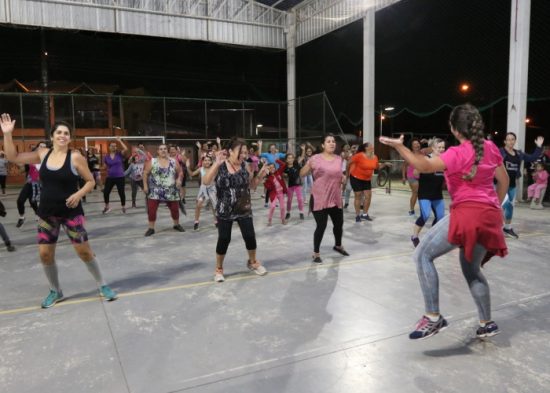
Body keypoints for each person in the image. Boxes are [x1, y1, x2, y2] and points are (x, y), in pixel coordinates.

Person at [380, 104, 509, 340]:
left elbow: (423, 166)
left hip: (468, 214)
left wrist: (400, 146)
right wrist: (493, 207)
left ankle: (432, 317)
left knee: (421, 255)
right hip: (491, 217)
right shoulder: (491, 148)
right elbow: (504, 180)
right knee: (471, 269)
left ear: (455, 130)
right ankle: (487, 323)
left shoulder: (457, 153)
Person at [1, 113, 117, 308]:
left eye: (66, 133)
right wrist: (7, 135)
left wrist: (78, 194)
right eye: (59, 132)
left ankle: (102, 285)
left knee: (84, 252)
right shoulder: (42, 154)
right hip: (47, 213)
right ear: (53, 136)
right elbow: (13, 156)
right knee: (45, 255)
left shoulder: (76, 157)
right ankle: (56, 291)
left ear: (70, 138)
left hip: (72, 212)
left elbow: (90, 181)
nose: (63, 135)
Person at [202, 137, 270, 282]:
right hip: (224, 210)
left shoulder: (245, 166)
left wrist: (260, 175)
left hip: (243, 208)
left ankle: (252, 262)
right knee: (224, 239)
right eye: (241, 152)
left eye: (246, 152)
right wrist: (216, 163)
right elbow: (206, 181)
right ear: (231, 151)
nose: (244, 155)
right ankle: (219, 268)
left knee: (250, 237)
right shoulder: (220, 165)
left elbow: (251, 186)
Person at [299, 134, 349, 263]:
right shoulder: (315, 158)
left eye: (333, 141)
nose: (332, 143)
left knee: (339, 224)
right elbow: (302, 174)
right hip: (319, 197)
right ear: (322, 145)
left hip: (335, 197)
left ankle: (338, 245)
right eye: (328, 141)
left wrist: (343, 178)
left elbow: (340, 174)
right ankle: (316, 253)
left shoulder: (339, 159)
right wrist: (309, 165)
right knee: (321, 225)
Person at [499, 132, 544, 238]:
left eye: (512, 139)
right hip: (500, 185)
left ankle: (507, 228)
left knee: (509, 208)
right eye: (508, 139)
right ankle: (495, 228)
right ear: (505, 141)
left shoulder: (519, 154)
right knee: (505, 205)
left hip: (512, 185)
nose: (510, 141)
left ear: (515, 141)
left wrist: (538, 147)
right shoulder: (500, 152)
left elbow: (532, 158)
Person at [142, 144, 185, 236]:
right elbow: (145, 173)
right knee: (152, 210)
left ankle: (176, 224)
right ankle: (151, 228)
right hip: (155, 190)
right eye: (161, 149)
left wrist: (179, 179)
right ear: (157, 151)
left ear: (167, 151)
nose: (163, 150)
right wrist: (145, 186)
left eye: (165, 149)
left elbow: (180, 172)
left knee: (175, 210)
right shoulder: (152, 161)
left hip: (171, 190)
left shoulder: (174, 161)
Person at [411, 138, 446, 247]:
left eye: (443, 147)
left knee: (440, 217)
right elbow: (415, 173)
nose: (441, 149)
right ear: (433, 148)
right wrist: (420, 168)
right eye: (438, 147)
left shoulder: (445, 160)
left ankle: (430, 237)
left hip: (437, 193)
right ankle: (414, 236)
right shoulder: (427, 159)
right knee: (425, 215)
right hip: (425, 193)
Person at [347, 142, 392, 222]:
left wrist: (384, 164)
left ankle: (365, 214)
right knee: (358, 196)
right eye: (370, 145)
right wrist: (347, 175)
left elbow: (377, 167)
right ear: (366, 148)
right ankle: (357, 215)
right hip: (356, 178)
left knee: (368, 196)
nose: (372, 146)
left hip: (367, 179)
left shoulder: (375, 157)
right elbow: (348, 163)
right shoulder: (359, 155)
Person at [15, 143, 45, 227]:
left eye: (44, 146)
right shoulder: (31, 159)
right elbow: (23, 169)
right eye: (41, 146)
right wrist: (18, 164)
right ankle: (22, 217)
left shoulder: (47, 160)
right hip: (29, 183)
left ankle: (39, 215)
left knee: (33, 202)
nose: (42, 147)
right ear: (37, 147)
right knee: (20, 200)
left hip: (39, 185)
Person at [186, 155, 217, 231]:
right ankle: (196, 221)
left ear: (211, 162)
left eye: (208, 160)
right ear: (202, 162)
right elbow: (192, 174)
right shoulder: (201, 169)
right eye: (205, 160)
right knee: (198, 205)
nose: (207, 162)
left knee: (214, 206)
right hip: (203, 189)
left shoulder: (214, 169)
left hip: (212, 189)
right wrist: (187, 167)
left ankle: (216, 221)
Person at [103, 138, 129, 214]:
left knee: (121, 192)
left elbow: (126, 149)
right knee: (106, 192)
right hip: (110, 177)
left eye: (115, 146)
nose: (114, 147)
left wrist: (120, 141)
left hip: (120, 177)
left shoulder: (119, 154)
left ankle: (123, 206)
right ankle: (107, 207)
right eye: (112, 146)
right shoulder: (106, 156)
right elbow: (105, 166)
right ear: (109, 147)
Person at [401, 139, 423, 216]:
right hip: (412, 176)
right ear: (412, 146)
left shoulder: (423, 153)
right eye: (415, 144)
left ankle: (423, 208)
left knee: (422, 193)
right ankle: (411, 209)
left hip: (422, 175)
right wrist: (403, 177)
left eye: (418, 143)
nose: (417, 145)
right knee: (416, 192)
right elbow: (404, 166)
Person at [264, 160, 287, 226]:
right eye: (270, 168)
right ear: (268, 169)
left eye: (273, 167)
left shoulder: (278, 172)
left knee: (282, 207)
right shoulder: (268, 178)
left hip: (281, 193)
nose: (272, 169)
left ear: (275, 167)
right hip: (274, 194)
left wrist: (277, 160)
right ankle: (269, 220)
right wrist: (265, 182)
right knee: (273, 206)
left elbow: (284, 165)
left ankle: (283, 219)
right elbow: (269, 188)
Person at [284, 152, 305, 220]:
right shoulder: (285, 167)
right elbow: (284, 175)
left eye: (291, 158)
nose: (290, 159)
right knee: (289, 200)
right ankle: (288, 212)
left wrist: (303, 150)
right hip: (290, 185)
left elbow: (302, 158)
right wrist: (284, 175)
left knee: (300, 199)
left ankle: (301, 212)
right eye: (289, 158)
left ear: (293, 159)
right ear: (286, 160)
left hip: (298, 185)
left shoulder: (296, 165)